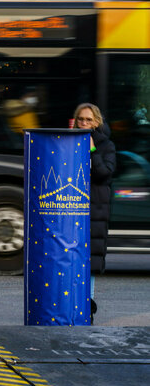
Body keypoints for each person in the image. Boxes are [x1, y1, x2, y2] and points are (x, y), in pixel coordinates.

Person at [73, 103, 116, 322]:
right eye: (81, 119)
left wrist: (91, 150)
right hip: (72, 208)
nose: (84, 123)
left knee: (89, 260)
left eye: (89, 120)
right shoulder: (69, 142)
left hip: (95, 209)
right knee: (70, 257)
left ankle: (87, 306)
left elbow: (104, 173)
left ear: (97, 122)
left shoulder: (105, 145)